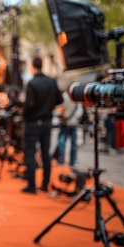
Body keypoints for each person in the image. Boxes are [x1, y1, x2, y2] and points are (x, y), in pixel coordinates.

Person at [21, 56, 63, 194]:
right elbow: (59, 99)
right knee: (46, 154)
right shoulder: (51, 82)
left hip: (33, 123)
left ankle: (32, 186)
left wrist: (26, 116)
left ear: (32, 66)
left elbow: (29, 105)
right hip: (46, 122)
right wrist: (47, 107)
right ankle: (45, 184)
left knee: (30, 153)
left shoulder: (32, 83)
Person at [54, 91, 84, 166]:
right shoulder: (77, 97)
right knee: (73, 144)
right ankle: (72, 162)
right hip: (73, 123)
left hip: (65, 123)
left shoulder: (64, 97)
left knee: (62, 142)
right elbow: (80, 112)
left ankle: (61, 159)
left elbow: (59, 110)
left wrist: (63, 117)